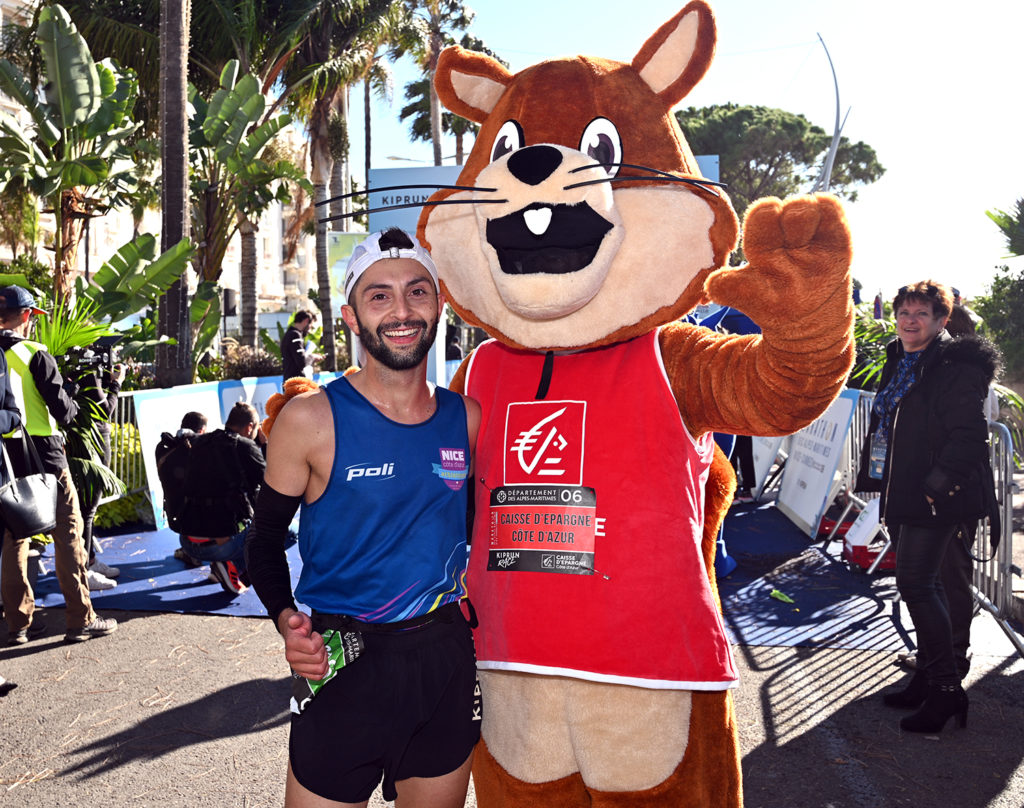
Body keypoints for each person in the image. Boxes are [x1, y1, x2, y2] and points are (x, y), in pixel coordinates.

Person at [246, 227, 482, 808]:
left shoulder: (467, 417)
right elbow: (264, 541)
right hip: (343, 660)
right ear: (351, 317)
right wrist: (286, 621)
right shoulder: (310, 419)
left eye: (417, 292)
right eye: (379, 296)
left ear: (439, 305)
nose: (401, 311)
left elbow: (471, 533)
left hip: (443, 661)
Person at [856, 280, 1000, 733]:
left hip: (934, 499)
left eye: (922, 313)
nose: (910, 320)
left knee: (921, 586)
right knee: (919, 586)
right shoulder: (902, 359)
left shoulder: (953, 366)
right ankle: (930, 678)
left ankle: (945, 689)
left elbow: (971, 437)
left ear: (942, 321)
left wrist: (934, 489)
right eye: (905, 312)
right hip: (904, 493)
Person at [0, 286, 117, 644]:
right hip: (46, 453)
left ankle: (19, 623)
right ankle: (81, 618)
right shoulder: (34, 352)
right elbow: (64, 411)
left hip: (6, 456)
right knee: (67, 533)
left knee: (14, 537)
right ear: (26, 316)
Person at [176, 402, 265, 595]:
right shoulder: (245, 446)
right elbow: (273, 486)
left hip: (187, 541)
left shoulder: (200, 442)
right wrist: (263, 446)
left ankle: (222, 570)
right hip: (220, 546)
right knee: (290, 532)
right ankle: (237, 571)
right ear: (250, 427)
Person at [74, 360, 127, 590]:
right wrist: (116, 384)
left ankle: (90, 561)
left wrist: (106, 381)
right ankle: (84, 571)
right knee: (87, 510)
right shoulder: (84, 372)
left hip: (87, 443)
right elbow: (104, 410)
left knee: (87, 511)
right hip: (89, 445)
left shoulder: (79, 371)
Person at [281, 310, 315, 380]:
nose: (309, 330)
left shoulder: (288, 334)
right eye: (310, 326)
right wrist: (313, 357)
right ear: (306, 321)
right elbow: (301, 362)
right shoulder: (295, 335)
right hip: (296, 383)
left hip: (289, 381)